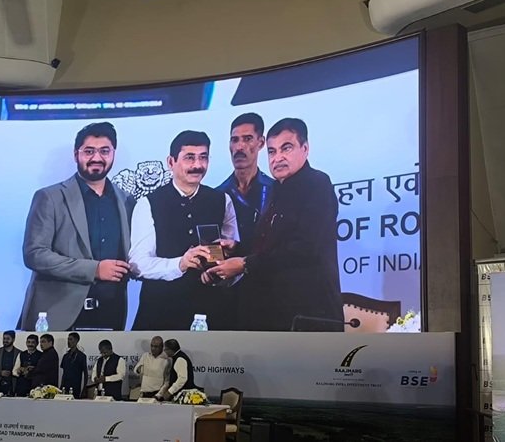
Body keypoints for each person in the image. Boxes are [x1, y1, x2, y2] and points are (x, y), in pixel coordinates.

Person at [207, 118, 344, 331]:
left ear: (305, 148)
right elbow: (271, 247)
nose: (277, 158)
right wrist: (236, 248)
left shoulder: (317, 183)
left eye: (286, 148)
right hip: (274, 315)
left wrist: (245, 264)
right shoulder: (277, 189)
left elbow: (304, 248)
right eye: (272, 151)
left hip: (308, 316)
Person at [19, 122, 136, 332]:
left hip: (112, 313)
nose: (97, 158)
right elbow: (35, 254)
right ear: (76, 155)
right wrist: (95, 270)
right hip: (57, 317)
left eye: (104, 151)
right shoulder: (50, 197)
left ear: (113, 154)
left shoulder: (127, 201)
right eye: (89, 151)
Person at [129, 130, 240, 330]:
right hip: (160, 313)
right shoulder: (148, 203)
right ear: (171, 162)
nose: (197, 165)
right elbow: (138, 264)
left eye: (203, 157)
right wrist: (179, 264)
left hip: (211, 313)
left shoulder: (222, 200)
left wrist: (219, 274)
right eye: (189, 157)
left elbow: (229, 257)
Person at [216, 113, 274, 256]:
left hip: (271, 269)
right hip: (229, 270)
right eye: (234, 140)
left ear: (261, 143)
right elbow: (213, 251)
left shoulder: (277, 191)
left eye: (247, 139)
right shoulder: (217, 196)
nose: (239, 147)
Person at [0, 330, 21, 395]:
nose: (5, 341)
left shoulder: (19, 353)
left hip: (12, 385)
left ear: (13, 339)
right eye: (4, 338)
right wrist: (0, 373)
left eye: (8, 339)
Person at [60, 333, 87, 398]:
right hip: (65, 386)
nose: (68, 341)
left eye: (71, 339)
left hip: (76, 386)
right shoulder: (65, 356)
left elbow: (85, 373)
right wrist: (61, 386)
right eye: (68, 339)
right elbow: (64, 373)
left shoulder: (82, 356)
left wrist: (84, 388)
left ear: (76, 340)